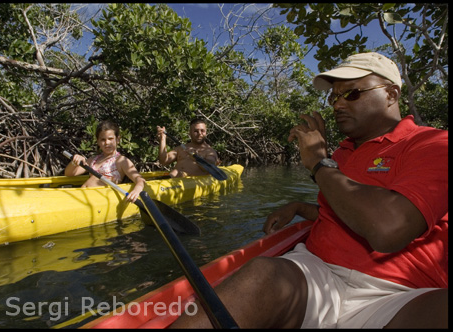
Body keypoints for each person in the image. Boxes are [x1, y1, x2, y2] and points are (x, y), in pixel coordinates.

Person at [169, 52, 448, 328]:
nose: (337, 105)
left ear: (391, 94)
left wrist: (318, 161)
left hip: (399, 294)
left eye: (350, 94)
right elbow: (347, 210)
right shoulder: (341, 154)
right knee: (262, 273)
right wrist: (301, 207)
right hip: (319, 271)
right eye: (333, 97)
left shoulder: (433, 145)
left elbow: (388, 229)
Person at [64, 120, 145, 202]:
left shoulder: (121, 161)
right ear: (98, 141)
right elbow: (69, 173)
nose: (107, 142)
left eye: (110, 139)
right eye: (103, 140)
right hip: (83, 198)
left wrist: (137, 190)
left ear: (117, 139)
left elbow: (140, 179)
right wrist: (75, 161)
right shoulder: (93, 159)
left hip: (100, 201)